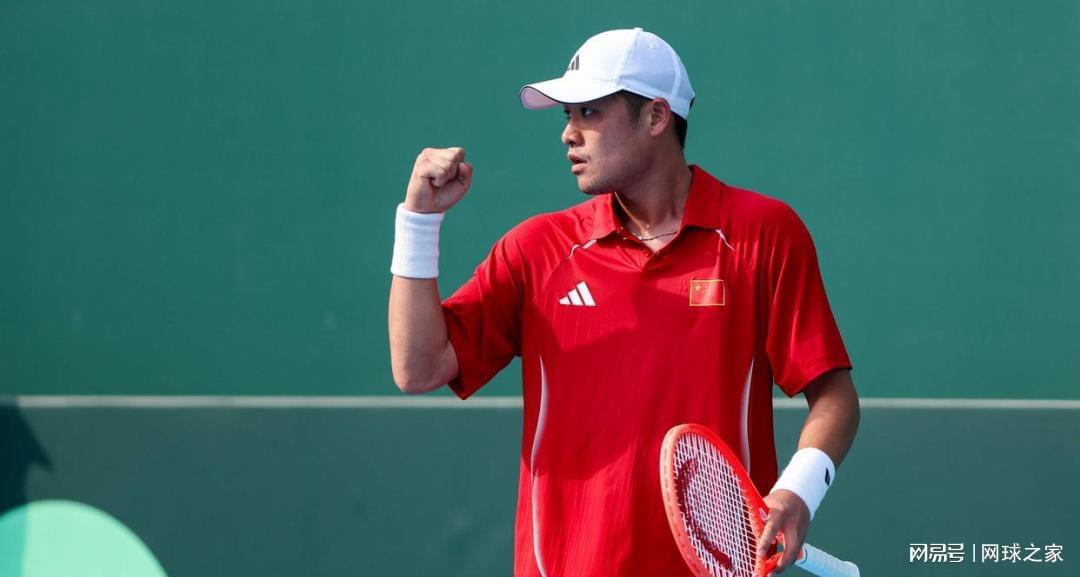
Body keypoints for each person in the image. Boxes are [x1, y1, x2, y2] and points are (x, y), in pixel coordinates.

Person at [388, 27, 859, 577]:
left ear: (656, 116)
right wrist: (418, 222)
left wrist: (797, 493)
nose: (568, 133)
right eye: (567, 115)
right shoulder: (536, 250)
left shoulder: (764, 235)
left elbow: (835, 397)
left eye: (589, 112)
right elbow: (418, 368)